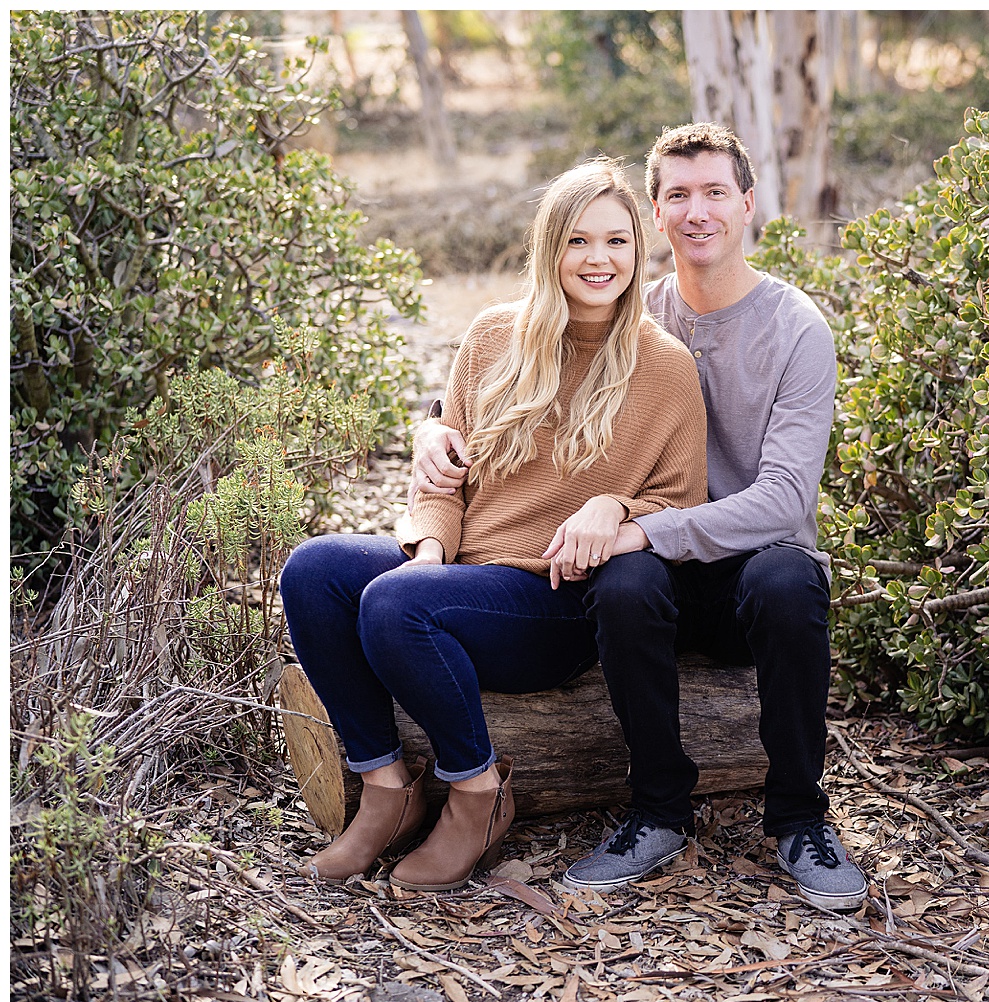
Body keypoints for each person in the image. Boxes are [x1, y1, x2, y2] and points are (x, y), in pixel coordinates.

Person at [412, 122, 869, 911]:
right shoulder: (627, 302)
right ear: (656, 214)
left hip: (746, 574)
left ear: (749, 204)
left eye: (716, 192)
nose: (698, 211)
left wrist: (642, 526)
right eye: (679, 195)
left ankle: (799, 816)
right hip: (648, 566)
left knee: (788, 577)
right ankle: (659, 809)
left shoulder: (797, 329)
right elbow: (524, 361)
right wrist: (433, 420)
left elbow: (785, 500)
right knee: (624, 581)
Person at [281, 158, 707, 890]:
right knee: (313, 570)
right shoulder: (490, 338)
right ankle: (386, 788)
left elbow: (683, 508)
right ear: (549, 249)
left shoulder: (665, 367)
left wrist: (617, 508)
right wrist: (429, 551)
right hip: (463, 572)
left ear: (641, 251)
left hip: (554, 599)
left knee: (392, 604)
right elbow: (446, 476)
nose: (598, 260)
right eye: (578, 242)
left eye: (616, 242)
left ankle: (478, 793)